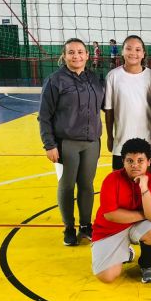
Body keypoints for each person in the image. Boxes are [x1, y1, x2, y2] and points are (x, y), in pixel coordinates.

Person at [38, 38, 105, 246]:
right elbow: (44, 116)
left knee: (86, 185)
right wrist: (49, 145)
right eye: (71, 52)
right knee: (67, 185)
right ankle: (69, 227)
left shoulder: (94, 78)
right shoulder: (55, 80)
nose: (76, 56)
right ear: (64, 56)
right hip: (66, 142)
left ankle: (86, 225)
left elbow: (104, 106)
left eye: (80, 52)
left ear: (87, 55)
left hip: (92, 141)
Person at [91, 138, 151, 284]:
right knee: (107, 277)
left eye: (140, 160)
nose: (135, 165)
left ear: (149, 161)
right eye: (130, 161)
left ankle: (147, 265)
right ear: (123, 162)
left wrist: (144, 188)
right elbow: (111, 215)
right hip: (110, 230)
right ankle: (126, 252)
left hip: (137, 227)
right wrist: (143, 215)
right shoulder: (111, 180)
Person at [104, 35, 151, 174]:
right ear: (122, 52)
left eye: (138, 49)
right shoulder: (112, 76)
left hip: (149, 139)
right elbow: (109, 110)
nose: (133, 53)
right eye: (128, 48)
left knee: (150, 180)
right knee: (119, 181)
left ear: (143, 53)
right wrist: (110, 137)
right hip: (122, 140)